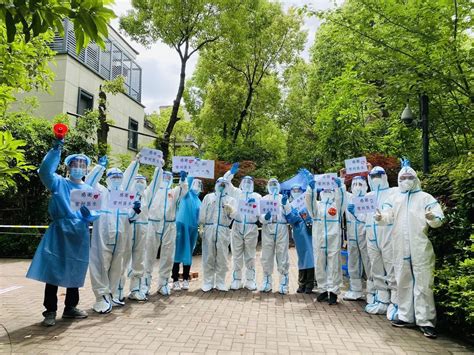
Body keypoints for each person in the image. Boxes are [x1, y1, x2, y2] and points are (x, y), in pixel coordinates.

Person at [26, 137, 98, 327]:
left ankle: (70, 308)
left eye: (83, 165)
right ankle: (50, 310)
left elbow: (94, 215)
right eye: (75, 164)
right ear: (68, 167)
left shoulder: (88, 189)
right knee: (53, 271)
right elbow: (44, 171)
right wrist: (56, 149)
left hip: (79, 234)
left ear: (86, 169)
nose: (79, 167)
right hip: (59, 232)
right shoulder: (59, 183)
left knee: (76, 269)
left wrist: (88, 215)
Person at [376, 160, 444, 339]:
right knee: (403, 281)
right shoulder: (394, 198)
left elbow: (438, 216)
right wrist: (380, 217)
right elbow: (387, 216)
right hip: (399, 247)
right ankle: (406, 316)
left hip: (419, 246)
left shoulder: (425, 198)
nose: (406, 180)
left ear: (416, 178)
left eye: (410, 177)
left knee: (423, 283)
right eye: (403, 177)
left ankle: (426, 321)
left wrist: (433, 216)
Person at [85, 159, 141, 313]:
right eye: (113, 177)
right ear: (107, 178)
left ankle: (111, 294)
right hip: (103, 236)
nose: (116, 180)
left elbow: (129, 218)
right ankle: (100, 297)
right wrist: (100, 167)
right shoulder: (101, 192)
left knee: (117, 267)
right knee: (100, 266)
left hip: (120, 238)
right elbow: (88, 183)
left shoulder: (124, 197)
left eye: (119, 177)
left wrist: (136, 210)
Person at [143, 169, 188, 296]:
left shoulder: (173, 192)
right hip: (153, 223)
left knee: (167, 255)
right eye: (165, 176)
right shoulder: (152, 190)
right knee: (149, 254)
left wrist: (183, 181)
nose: (167, 178)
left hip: (169, 224)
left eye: (169, 176)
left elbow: (183, 191)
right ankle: (144, 284)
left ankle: (163, 284)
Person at [305, 173, 346, 305]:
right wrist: (310, 189)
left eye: (330, 188)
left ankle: (333, 292)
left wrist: (340, 188)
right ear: (321, 191)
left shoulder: (337, 206)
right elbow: (309, 204)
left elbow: (342, 200)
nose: (327, 190)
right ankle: (323, 290)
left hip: (333, 240)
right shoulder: (318, 206)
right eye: (324, 188)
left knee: (334, 265)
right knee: (320, 264)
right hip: (319, 239)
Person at [364, 166, 398, 318]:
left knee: (391, 269)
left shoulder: (392, 192)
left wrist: (406, 170)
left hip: (387, 236)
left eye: (379, 174)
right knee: (376, 269)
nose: (376, 177)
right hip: (371, 237)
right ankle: (381, 300)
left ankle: (395, 303)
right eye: (373, 175)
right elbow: (362, 216)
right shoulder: (368, 195)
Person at [223, 163, 262, 291]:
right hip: (237, 226)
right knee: (237, 254)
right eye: (245, 181)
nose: (247, 183)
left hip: (251, 228)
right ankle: (237, 279)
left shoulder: (257, 197)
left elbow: (261, 214)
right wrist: (231, 172)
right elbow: (226, 182)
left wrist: (255, 206)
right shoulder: (236, 193)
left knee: (250, 255)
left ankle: (250, 280)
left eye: (249, 182)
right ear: (241, 183)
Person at [199, 177, 236, 292]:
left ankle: (220, 281)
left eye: (224, 184)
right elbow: (202, 213)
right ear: (216, 184)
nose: (222, 186)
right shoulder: (208, 197)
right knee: (208, 256)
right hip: (209, 229)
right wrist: (201, 226)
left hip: (223, 230)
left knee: (222, 256)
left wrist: (230, 210)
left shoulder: (231, 200)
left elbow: (234, 216)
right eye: (220, 184)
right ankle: (208, 282)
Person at [119, 174, 153, 302]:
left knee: (139, 259)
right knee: (123, 258)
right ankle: (118, 290)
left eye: (142, 181)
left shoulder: (147, 195)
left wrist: (159, 169)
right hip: (129, 227)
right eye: (137, 181)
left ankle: (136, 290)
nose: (140, 183)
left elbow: (155, 184)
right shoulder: (126, 195)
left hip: (143, 228)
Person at [344, 176, 373, 301]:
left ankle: (373, 291)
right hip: (352, 236)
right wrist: (341, 178)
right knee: (353, 262)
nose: (357, 187)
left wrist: (356, 212)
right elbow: (340, 191)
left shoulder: (369, 199)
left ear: (366, 186)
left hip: (365, 235)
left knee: (369, 262)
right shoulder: (349, 198)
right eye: (354, 184)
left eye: (360, 184)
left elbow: (369, 217)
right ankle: (355, 290)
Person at [259, 178, 290, 294]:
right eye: (271, 184)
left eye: (275, 184)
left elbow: (289, 214)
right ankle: (267, 282)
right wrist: (265, 218)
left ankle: (284, 283)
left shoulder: (283, 198)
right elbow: (260, 217)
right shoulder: (264, 199)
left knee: (282, 255)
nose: (273, 186)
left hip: (281, 227)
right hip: (267, 228)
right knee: (266, 255)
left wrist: (286, 204)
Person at [171, 177, 203, 291]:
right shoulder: (186, 194)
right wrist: (193, 168)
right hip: (181, 226)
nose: (197, 187)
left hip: (192, 229)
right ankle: (174, 279)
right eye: (195, 184)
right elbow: (186, 183)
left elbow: (200, 217)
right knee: (177, 252)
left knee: (188, 254)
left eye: (199, 185)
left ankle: (185, 279)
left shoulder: (199, 201)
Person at [282, 184, 315, 294]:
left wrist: (303, 215)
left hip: (308, 231)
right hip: (298, 233)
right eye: (294, 190)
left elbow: (311, 214)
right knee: (301, 257)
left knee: (310, 255)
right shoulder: (291, 204)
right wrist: (288, 209)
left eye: (298, 190)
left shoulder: (306, 202)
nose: (296, 191)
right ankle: (302, 283)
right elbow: (290, 219)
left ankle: (310, 283)